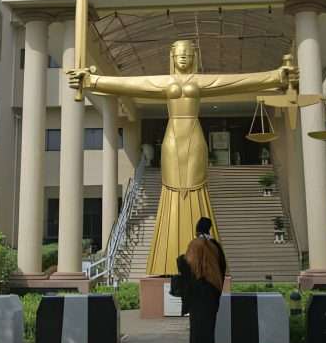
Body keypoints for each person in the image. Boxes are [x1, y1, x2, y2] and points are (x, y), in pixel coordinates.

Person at [69, 41, 297, 276]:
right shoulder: (164, 82)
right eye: (180, 54)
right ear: (172, 56)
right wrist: (92, 81)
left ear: (194, 57)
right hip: (172, 141)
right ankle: (166, 261)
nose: (184, 58)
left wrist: (276, 76)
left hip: (195, 139)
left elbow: (237, 82)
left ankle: (206, 259)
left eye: (188, 54)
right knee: (171, 190)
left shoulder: (199, 82)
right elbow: (129, 85)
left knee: (196, 188)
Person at [176, 217, 227, 343]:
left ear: (197, 229)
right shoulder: (215, 244)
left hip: (200, 288)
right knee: (210, 321)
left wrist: (180, 261)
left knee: (201, 322)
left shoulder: (196, 244)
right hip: (214, 288)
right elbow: (221, 266)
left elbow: (190, 264)